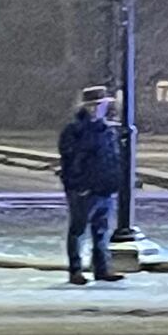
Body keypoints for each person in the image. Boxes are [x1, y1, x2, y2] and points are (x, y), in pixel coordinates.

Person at [57, 87, 124, 285]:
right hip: (84, 190)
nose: (103, 108)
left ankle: (102, 268)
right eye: (100, 105)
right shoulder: (75, 130)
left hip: (103, 188)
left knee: (101, 230)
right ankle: (76, 270)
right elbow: (70, 161)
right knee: (78, 230)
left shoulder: (106, 130)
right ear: (90, 107)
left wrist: (114, 183)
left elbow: (112, 158)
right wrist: (77, 185)